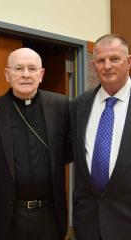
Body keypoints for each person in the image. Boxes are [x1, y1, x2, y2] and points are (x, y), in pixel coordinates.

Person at [0, 48, 71, 240]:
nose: (26, 74)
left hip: (50, 214)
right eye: (19, 68)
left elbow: (69, 148)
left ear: (41, 75)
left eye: (32, 68)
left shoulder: (61, 106)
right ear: (7, 75)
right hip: (9, 217)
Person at [70, 34, 131, 240]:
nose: (107, 66)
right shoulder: (79, 105)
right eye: (100, 60)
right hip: (88, 225)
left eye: (114, 59)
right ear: (94, 64)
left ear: (128, 62)